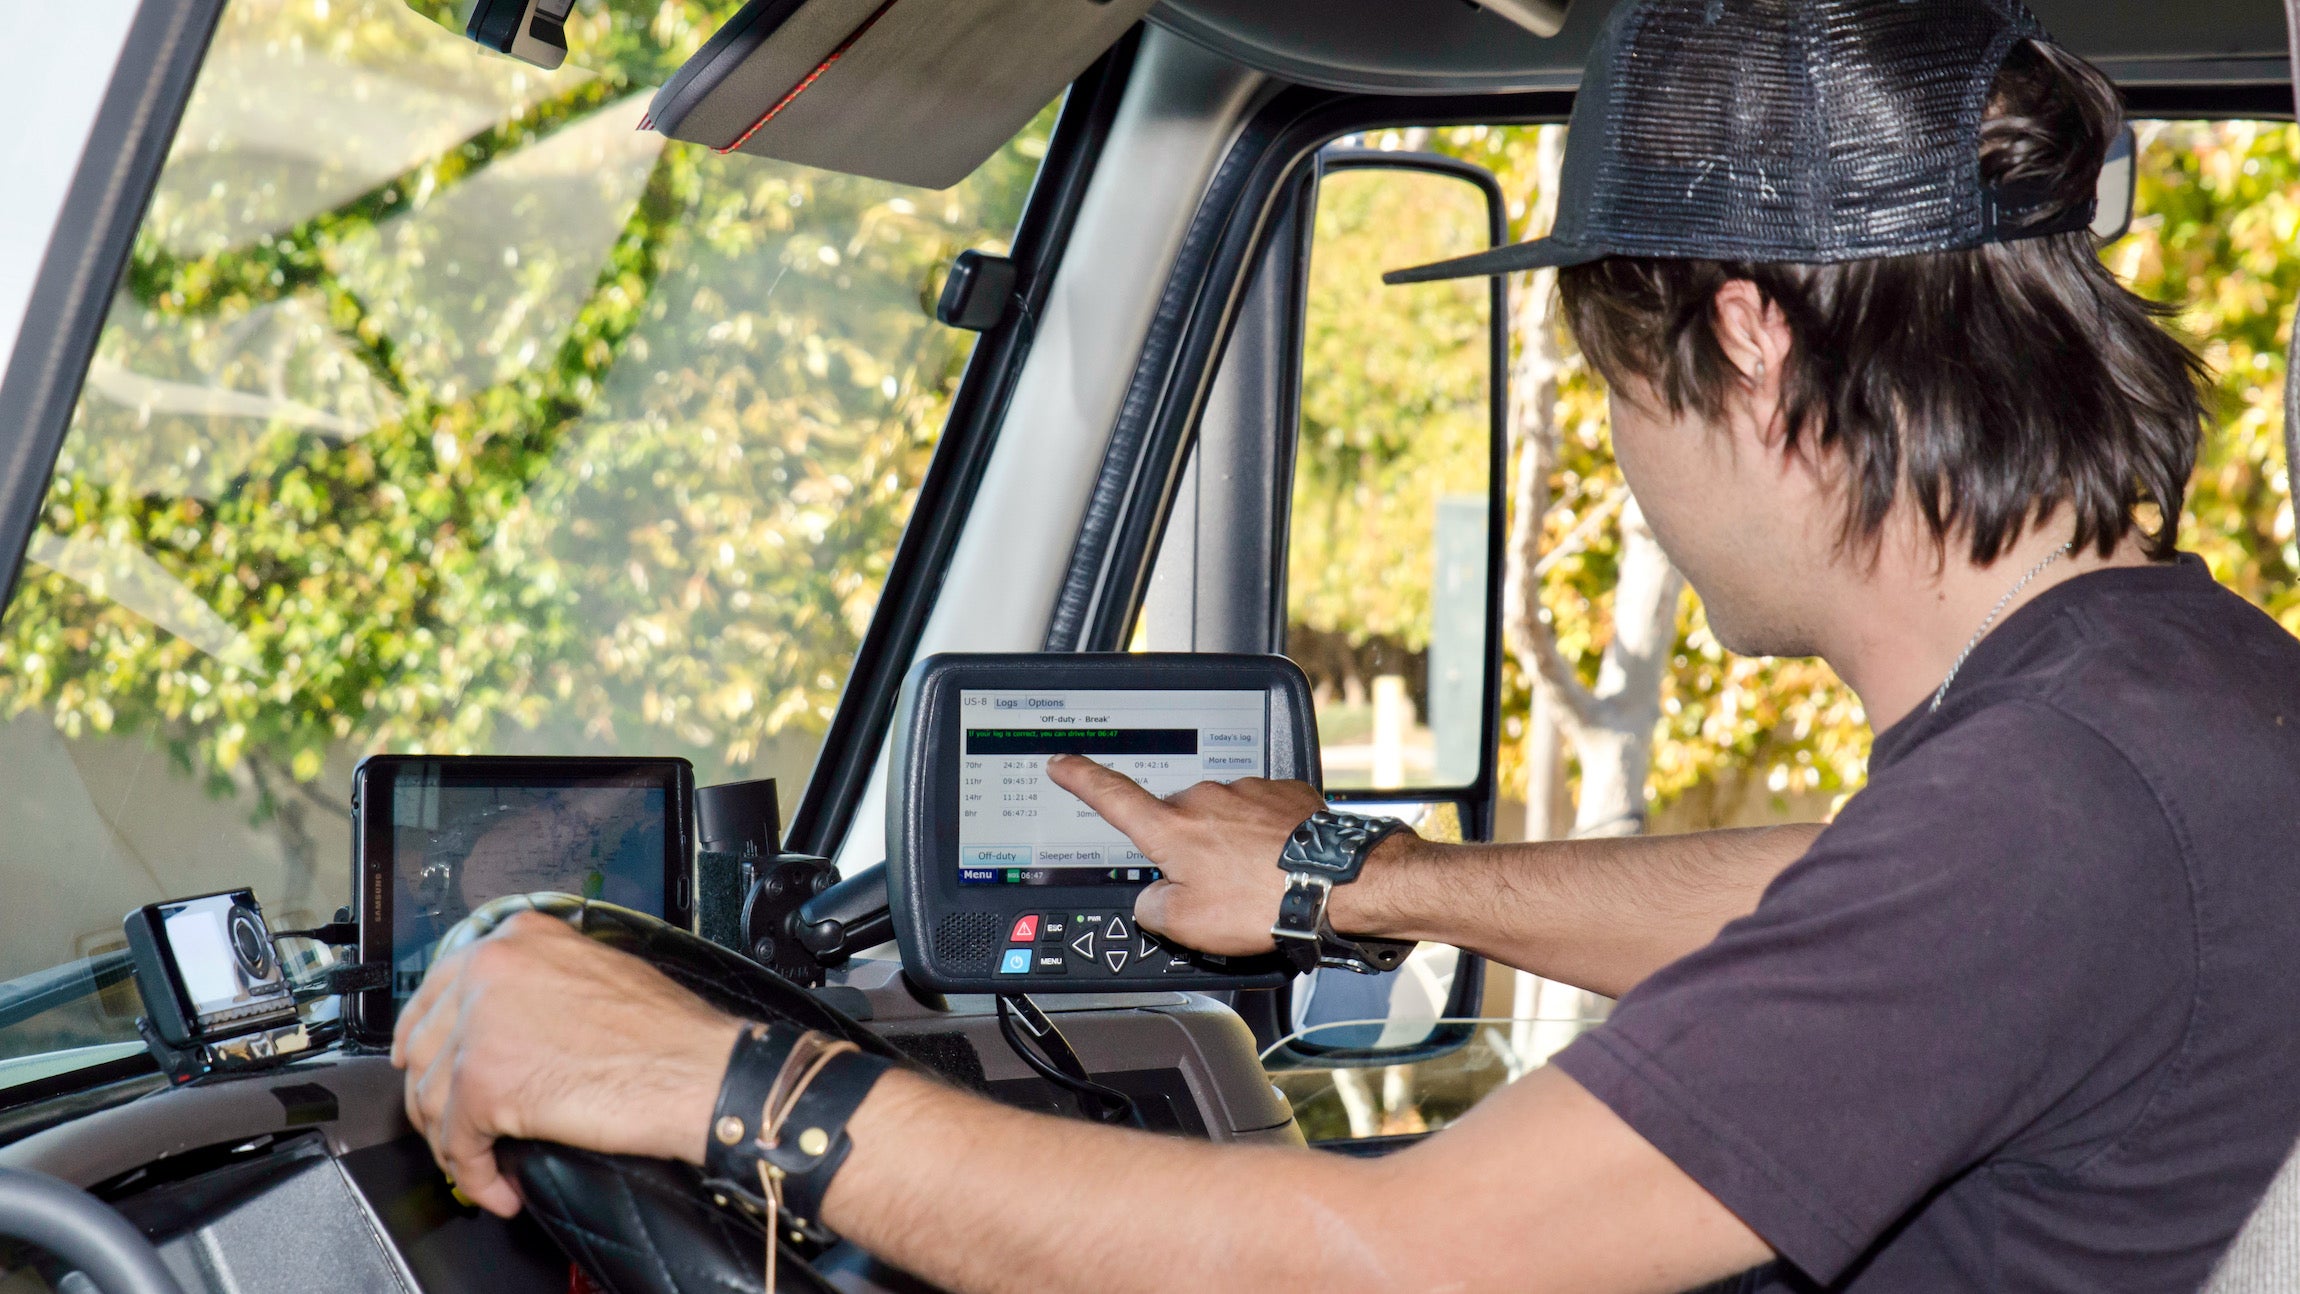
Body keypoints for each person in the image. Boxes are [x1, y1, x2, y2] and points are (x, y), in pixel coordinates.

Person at [389, 0, 2300, 1289]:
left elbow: (1403, 1261)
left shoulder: (2060, 803)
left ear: (1746, 344)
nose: (1628, 462)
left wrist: (722, 1091)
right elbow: (1816, 902)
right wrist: (1350, 876)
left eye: (1617, 387)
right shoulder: (2162, 706)